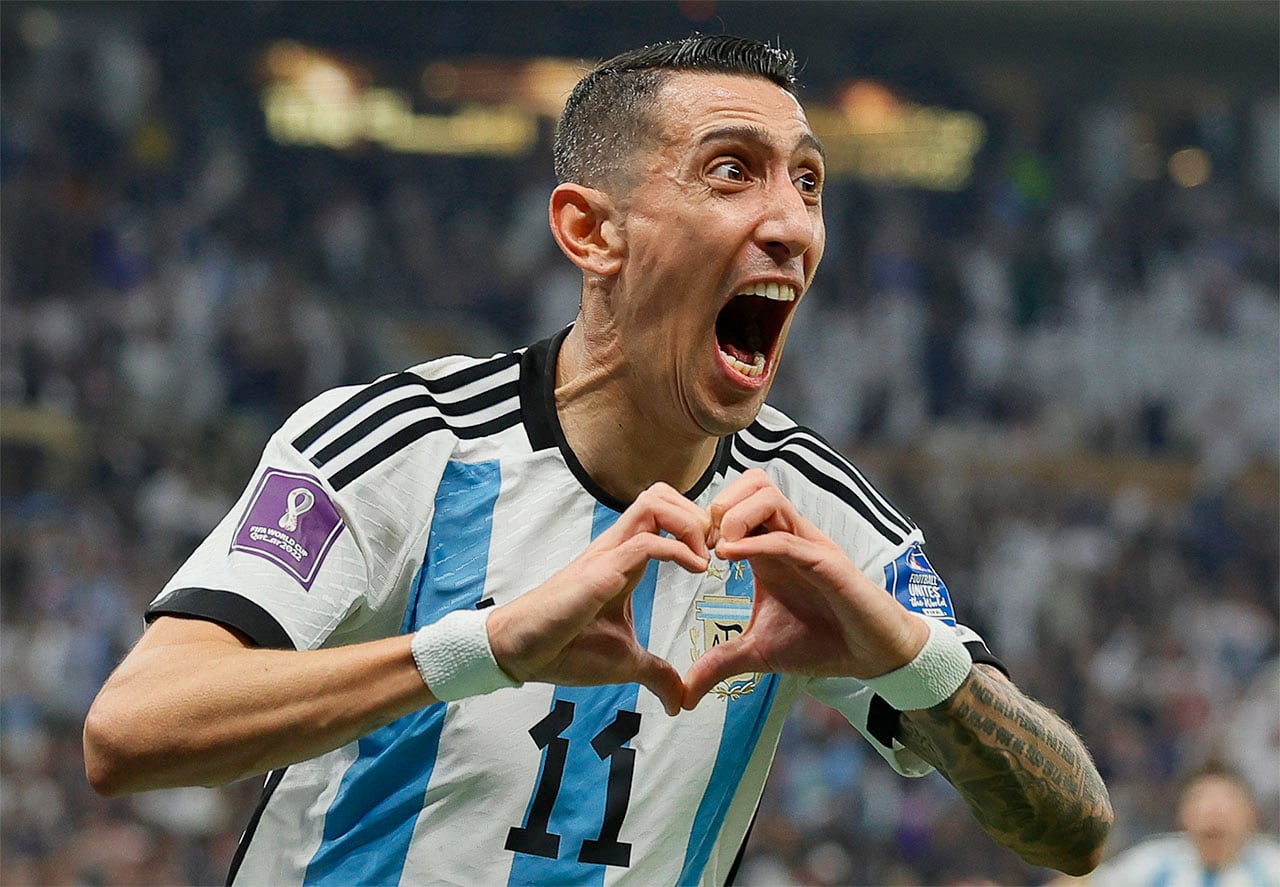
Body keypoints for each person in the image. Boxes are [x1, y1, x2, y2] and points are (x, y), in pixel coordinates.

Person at [83, 35, 1113, 885]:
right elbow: (129, 732)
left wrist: (908, 656)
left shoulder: (811, 511)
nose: (791, 224)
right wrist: (478, 647)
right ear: (590, 231)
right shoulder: (403, 446)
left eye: (806, 181)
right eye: (730, 170)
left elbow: (1073, 828)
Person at [1065, 761, 1280, 887]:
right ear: (1183, 815)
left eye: (1227, 801)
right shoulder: (1155, 865)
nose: (1215, 812)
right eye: (1202, 800)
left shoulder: (1271, 870)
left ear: (1251, 815)